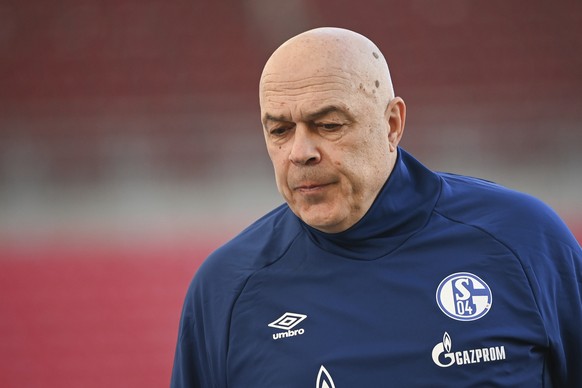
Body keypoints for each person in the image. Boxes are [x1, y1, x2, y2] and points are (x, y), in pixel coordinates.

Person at [171, 27, 582, 387]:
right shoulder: (225, 287)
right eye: (279, 130)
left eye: (328, 125)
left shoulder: (525, 241)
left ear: (392, 124)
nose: (300, 152)